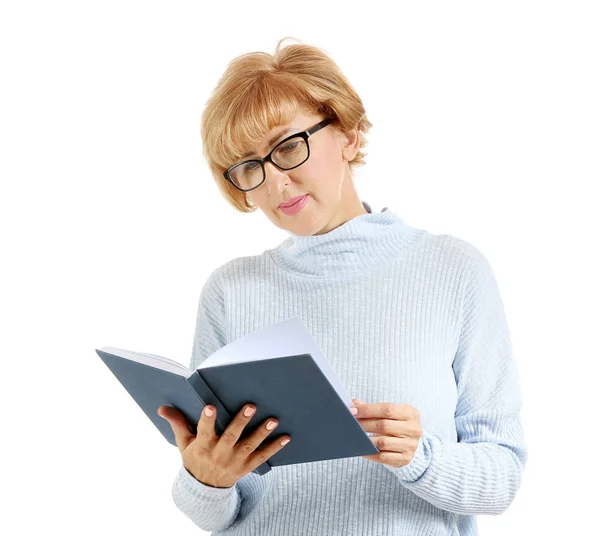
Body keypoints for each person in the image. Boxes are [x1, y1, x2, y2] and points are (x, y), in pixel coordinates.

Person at [156, 37, 528, 535]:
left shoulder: (452, 270)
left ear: (349, 135)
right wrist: (206, 481)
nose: (275, 184)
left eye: (288, 147)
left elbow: (502, 476)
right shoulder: (231, 291)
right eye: (250, 165)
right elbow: (217, 511)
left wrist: (421, 459)